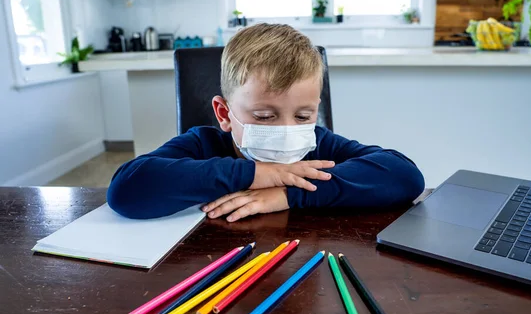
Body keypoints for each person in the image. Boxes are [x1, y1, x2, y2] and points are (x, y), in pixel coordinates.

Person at [107, 23, 425, 221]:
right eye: (264, 116)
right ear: (224, 114)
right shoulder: (203, 144)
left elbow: (405, 175)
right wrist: (259, 174)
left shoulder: (320, 142)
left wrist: (289, 194)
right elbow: (126, 190)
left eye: (303, 116)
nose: (288, 131)